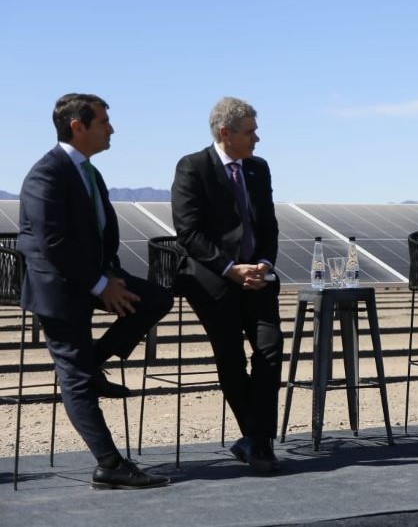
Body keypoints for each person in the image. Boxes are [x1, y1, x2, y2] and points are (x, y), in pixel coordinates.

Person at [18, 94, 172, 489]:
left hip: (90, 278)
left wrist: (111, 277)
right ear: (77, 125)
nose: (112, 129)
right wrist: (101, 285)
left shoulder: (90, 173)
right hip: (58, 289)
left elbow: (101, 235)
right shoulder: (46, 174)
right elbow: (54, 244)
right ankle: (109, 464)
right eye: (104, 122)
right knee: (75, 377)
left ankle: (94, 361)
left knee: (156, 299)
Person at [171, 96, 283, 473]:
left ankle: (255, 439)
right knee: (231, 358)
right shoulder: (193, 168)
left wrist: (264, 264)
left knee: (270, 348)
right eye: (250, 131)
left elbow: (268, 225)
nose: (257, 138)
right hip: (213, 281)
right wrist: (231, 268)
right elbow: (189, 232)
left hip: (258, 279)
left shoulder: (257, 169)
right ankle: (260, 442)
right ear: (225, 133)